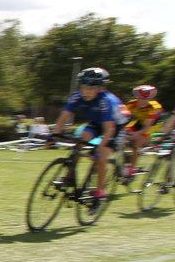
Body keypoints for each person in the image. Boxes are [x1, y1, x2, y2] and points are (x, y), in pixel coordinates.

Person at [50, 67, 127, 206]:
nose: (85, 92)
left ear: (100, 88)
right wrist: (55, 134)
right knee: (79, 143)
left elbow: (109, 129)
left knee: (101, 157)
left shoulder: (107, 101)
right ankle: (68, 178)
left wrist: (99, 147)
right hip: (96, 123)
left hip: (115, 126)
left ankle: (99, 192)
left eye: (90, 88)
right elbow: (63, 116)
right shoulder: (77, 96)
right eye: (83, 87)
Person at [122, 85, 163, 178]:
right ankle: (126, 162)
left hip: (153, 125)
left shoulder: (154, 106)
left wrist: (134, 136)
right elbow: (122, 118)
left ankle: (132, 168)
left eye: (146, 99)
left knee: (137, 142)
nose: (143, 101)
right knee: (122, 137)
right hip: (138, 122)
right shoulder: (131, 104)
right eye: (141, 99)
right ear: (137, 97)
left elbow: (147, 127)